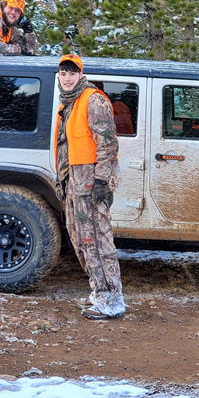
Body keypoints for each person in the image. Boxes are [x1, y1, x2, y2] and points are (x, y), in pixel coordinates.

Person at [54, 53, 126, 320]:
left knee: (97, 241)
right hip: (74, 183)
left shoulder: (93, 100)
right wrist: (62, 180)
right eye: (63, 73)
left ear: (81, 74)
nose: (67, 77)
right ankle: (100, 293)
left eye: (72, 73)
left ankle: (111, 300)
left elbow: (108, 145)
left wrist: (101, 182)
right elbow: (66, 146)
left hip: (92, 184)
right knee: (81, 241)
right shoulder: (68, 103)